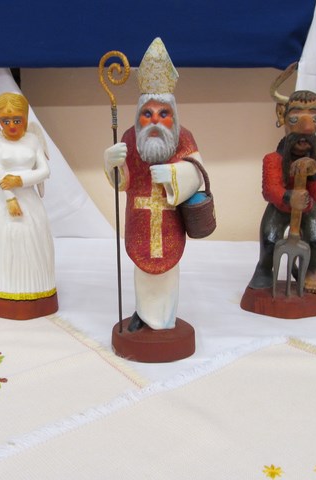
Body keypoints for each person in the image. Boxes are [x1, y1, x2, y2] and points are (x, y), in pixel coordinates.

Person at [103, 38, 204, 332]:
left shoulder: (183, 138)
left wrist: (174, 176)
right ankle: (143, 313)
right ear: (139, 115)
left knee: (168, 272)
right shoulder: (130, 137)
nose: (155, 121)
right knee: (142, 269)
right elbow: (122, 182)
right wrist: (110, 162)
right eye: (147, 114)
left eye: (163, 114)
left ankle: (166, 318)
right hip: (139, 217)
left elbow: (198, 173)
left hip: (171, 219)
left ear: (173, 115)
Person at [247, 62, 316, 295]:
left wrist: (314, 173)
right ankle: (264, 268)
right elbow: (270, 190)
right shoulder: (273, 160)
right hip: (280, 207)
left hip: (308, 207)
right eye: (296, 118)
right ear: (282, 115)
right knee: (269, 238)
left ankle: (313, 269)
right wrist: (288, 197)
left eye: (314, 118)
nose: (306, 128)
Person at [0, 92, 58, 319]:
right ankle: (4, 290)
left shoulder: (33, 140)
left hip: (30, 202)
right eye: (5, 121)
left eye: (17, 120)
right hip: (3, 203)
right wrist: (10, 198)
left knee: (32, 244)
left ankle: (36, 292)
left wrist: (20, 180)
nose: (12, 126)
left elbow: (44, 170)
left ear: (25, 117)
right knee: (7, 244)